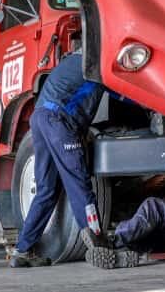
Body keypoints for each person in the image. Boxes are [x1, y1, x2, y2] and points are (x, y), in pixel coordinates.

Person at [9, 51, 110, 268]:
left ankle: (22, 250)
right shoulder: (96, 62)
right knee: (79, 184)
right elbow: (124, 91)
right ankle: (98, 244)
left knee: (46, 189)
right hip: (59, 121)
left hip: (39, 119)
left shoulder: (72, 61)